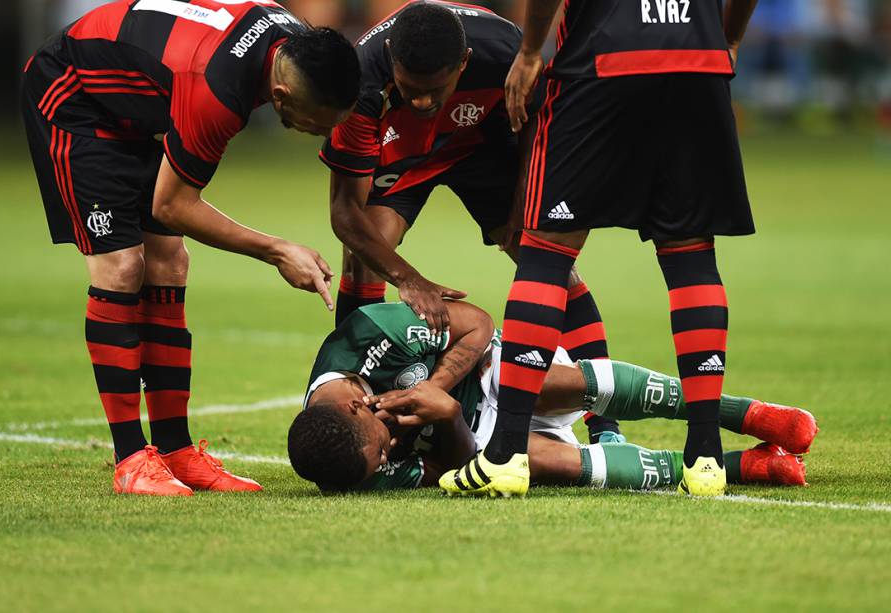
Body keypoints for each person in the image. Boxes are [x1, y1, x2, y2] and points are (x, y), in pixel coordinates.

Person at [20, 0, 360, 496]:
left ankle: (176, 451)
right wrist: (277, 249)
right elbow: (174, 206)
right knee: (121, 266)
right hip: (73, 95)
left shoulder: (288, 41)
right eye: (316, 122)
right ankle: (131, 458)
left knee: (170, 261)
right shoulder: (217, 91)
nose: (321, 134)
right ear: (281, 97)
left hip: (133, 106)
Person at [444, 0, 762, 498]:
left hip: (603, 62)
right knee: (691, 256)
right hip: (697, 63)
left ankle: (505, 454)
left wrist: (530, 52)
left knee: (545, 254)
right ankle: (705, 458)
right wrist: (728, 39)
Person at [321, 0, 622, 443]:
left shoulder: (505, 53)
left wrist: (522, 212)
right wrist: (408, 278)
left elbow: (541, 130)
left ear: (463, 63)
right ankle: (359, 410)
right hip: (402, 152)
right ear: (391, 57)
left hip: (482, 143)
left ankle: (606, 424)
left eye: (435, 89)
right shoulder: (360, 81)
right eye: (410, 88)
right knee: (363, 258)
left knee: (548, 262)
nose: (422, 100)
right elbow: (346, 213)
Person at [287, 301, 816, 492]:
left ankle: (751, 414)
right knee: (546, 464)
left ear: (356, 405)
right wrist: (447, 418)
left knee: (538, 383)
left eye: (380, 446)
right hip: (479, 436)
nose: (387, 455)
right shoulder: (353, 470)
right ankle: (743, 467)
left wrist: (439, 388)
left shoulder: (369, 336)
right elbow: (464, 468)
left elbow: (476, 325)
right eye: (382, 458)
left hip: (499, 373)